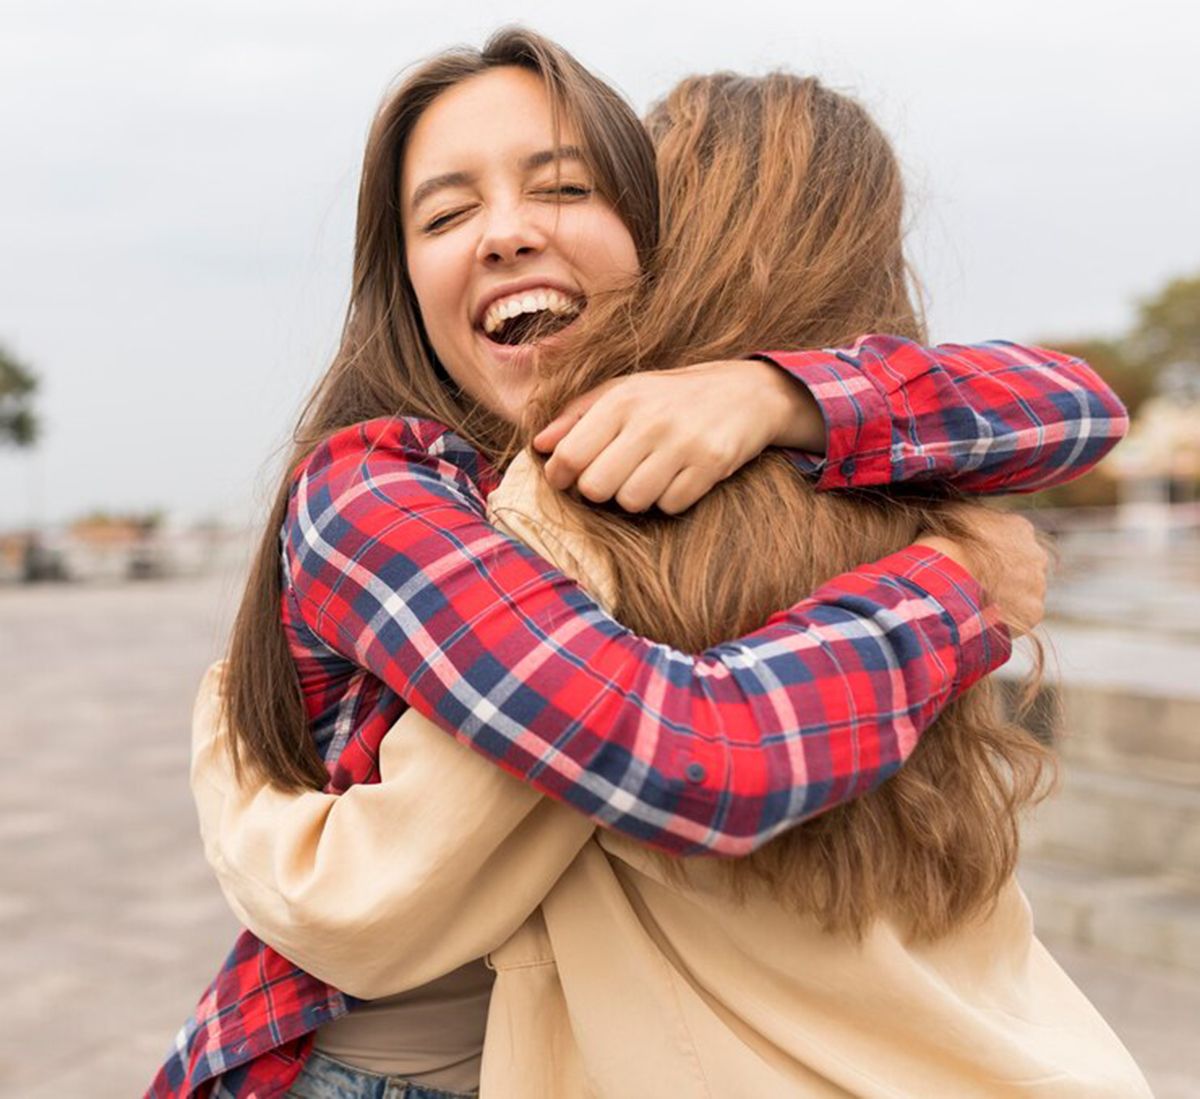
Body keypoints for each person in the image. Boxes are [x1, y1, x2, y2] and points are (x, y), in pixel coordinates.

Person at [149, 30, 1130, 1099]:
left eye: (563, 188)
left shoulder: (706, 469)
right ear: (405, 284)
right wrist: (959, 591)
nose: (506, 233)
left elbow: (1081, 404)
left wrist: (775, 394)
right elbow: (693, 757)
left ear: (656, 238)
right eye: (444, 213)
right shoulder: (380, 489)